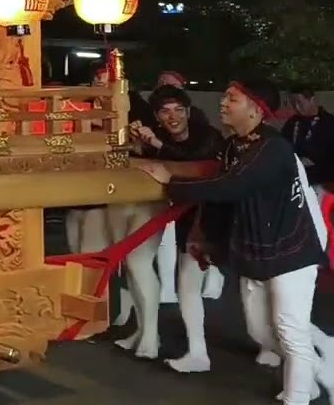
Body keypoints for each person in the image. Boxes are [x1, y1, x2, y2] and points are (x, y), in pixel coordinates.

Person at [137, 79, 330, 405]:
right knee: (259, 331)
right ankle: (312, 377)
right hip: (256, 249)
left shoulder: (273, 148)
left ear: (256, 109)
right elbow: (222, 199)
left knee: (289, 329)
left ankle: (299, 395)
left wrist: (171, 183)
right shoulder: (232, 146)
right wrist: (205, 240)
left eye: (232, 99)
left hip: (290, 250)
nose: (223, 103)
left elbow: (231, 187)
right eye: (225, 97)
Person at [131, 85, 227, 373]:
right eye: (165, 111)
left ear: (188, 111)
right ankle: (198, 352)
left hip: (219, 218)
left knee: (258, 291)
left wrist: (157, 146)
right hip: (191, 221)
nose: (172, 117)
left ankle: (282, 347)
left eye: (178, 110)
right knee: (188, 284)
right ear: (157, 117)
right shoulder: (160, 139)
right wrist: (138, 143)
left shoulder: (208, 135)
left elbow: (191, 161)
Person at [282, 86, 334, 194]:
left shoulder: (329, 122)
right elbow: (282, 145)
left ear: (312, 100)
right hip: (294, 181)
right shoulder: (292, 123)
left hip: (322, 183)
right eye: (293, 103)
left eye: (300, 102)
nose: (296, 107)